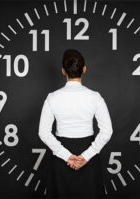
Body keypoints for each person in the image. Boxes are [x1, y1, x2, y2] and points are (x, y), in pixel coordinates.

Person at [38, 49, 113, 198]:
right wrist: (85, 156)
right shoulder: (95, 97)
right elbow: (107, 132)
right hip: (88, 157)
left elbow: (43, 133)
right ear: (84, 69)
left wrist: (66, 156)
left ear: (63, 71)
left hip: (61, 158)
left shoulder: (52, 98)